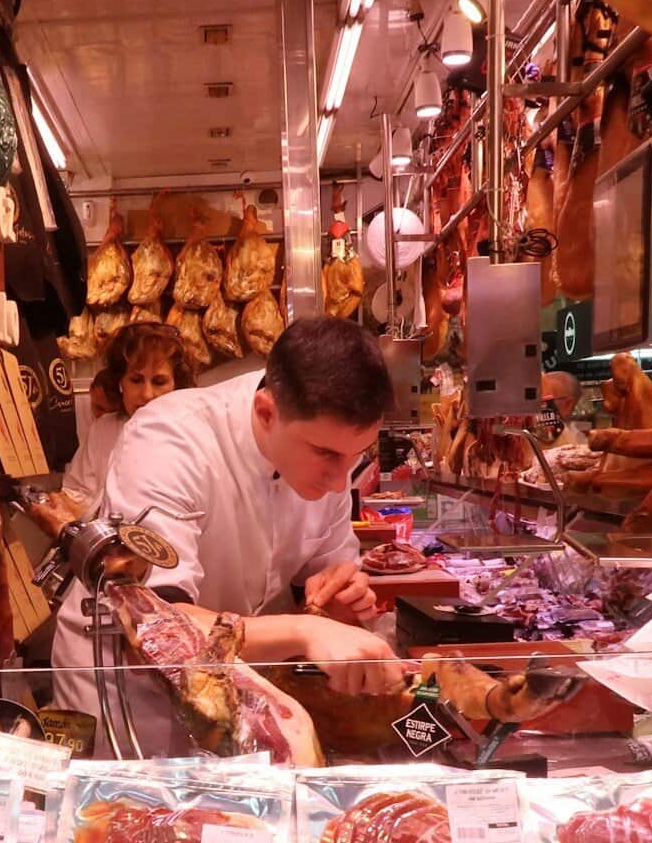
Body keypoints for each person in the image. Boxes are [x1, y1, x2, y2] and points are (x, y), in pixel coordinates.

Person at [50, 316, 405, 756]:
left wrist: (338, 601)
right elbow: (158, 624)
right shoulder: (169, 440)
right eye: (326, 454)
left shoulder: (329, 456)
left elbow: (329, 572)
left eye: (356, 457)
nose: (339, 482)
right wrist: (304, 629)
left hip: (230, 681)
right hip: (128, 687)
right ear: (265, 412)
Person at [63, 323, 196, 504]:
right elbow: (76, 493)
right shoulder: (104, 429)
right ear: (120, 383)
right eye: (136, 380)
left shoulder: (194, 436)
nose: (147, 394)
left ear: (177, 385)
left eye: (159, 382)